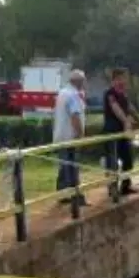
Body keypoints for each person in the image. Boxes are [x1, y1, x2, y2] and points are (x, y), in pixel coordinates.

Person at [103, 68, 139, 196]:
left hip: (124, 132)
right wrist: (126, 121)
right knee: (112, 160)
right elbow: (116, 108)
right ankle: (112, 188)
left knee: (127, 158)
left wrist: (138, 118)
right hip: (112, 131)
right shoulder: (110, 93)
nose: (122, 82)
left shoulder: (123, 94)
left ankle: (126, 186)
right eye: (119, 79)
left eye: (124, 79)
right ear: (113, 80)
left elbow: (129, 107)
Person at [53, 70, 87, 206]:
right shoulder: (73, 95)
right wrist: (80, 135)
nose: (85, 83)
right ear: (78, 82)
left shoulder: (62, 93)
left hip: (61, 136)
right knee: (72, 166)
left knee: (64, 166)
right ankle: (75, 196)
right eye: (83, 80)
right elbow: (75, 116)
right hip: (70, 137)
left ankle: (63, 194)